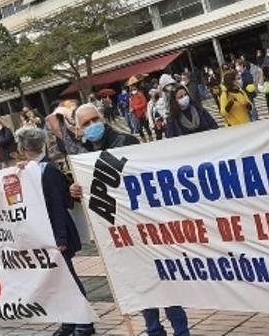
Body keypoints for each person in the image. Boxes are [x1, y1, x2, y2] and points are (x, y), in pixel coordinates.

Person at [70, 104, 190, 336]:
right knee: (141, 284)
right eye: (86, 123)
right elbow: (88, 193)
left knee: (164, 282)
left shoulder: (127, 142)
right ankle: (154, 330)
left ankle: (181, 331)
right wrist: (75, 189)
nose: (92, 125)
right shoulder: (80, 157)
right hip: (117, 233)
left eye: (95, 119)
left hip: (144, 227)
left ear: (103, 118)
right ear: (78, 129)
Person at [13, 127, 90, 336]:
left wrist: (61, 238)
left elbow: (59, 204)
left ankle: (85, 323)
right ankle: (69, 322)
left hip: (56, 233)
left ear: (22, 147)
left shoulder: (47, 170)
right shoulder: (31, 169)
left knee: (69, 279)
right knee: (57, 281)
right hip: (45, 233)